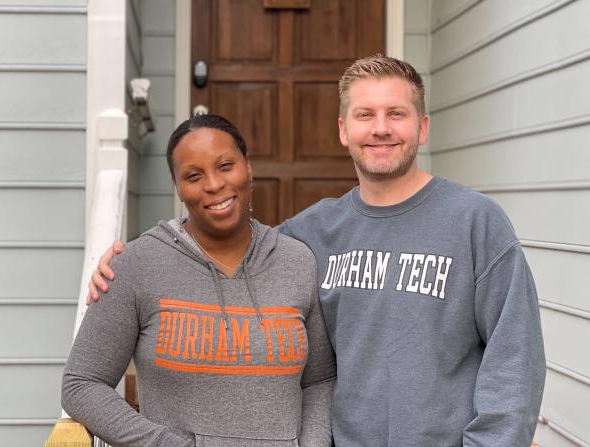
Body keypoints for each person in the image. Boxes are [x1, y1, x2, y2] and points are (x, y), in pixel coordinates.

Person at [89, 55, 545, 446]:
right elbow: (219, 248)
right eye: (365, 115)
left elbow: (515, 361)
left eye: (396, 114)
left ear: (422, 128)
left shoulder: (474, 222)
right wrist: (126, 263)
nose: (381, 129)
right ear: (344, 130)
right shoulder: (310, 233)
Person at [62, 114, 336, 446]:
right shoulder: (137, 264)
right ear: (178, 188)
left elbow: (320, 381)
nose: (213, 185)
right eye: (193, 175)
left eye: (225, 166)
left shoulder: (296, 261)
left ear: (247, 167)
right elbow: (82, 384)